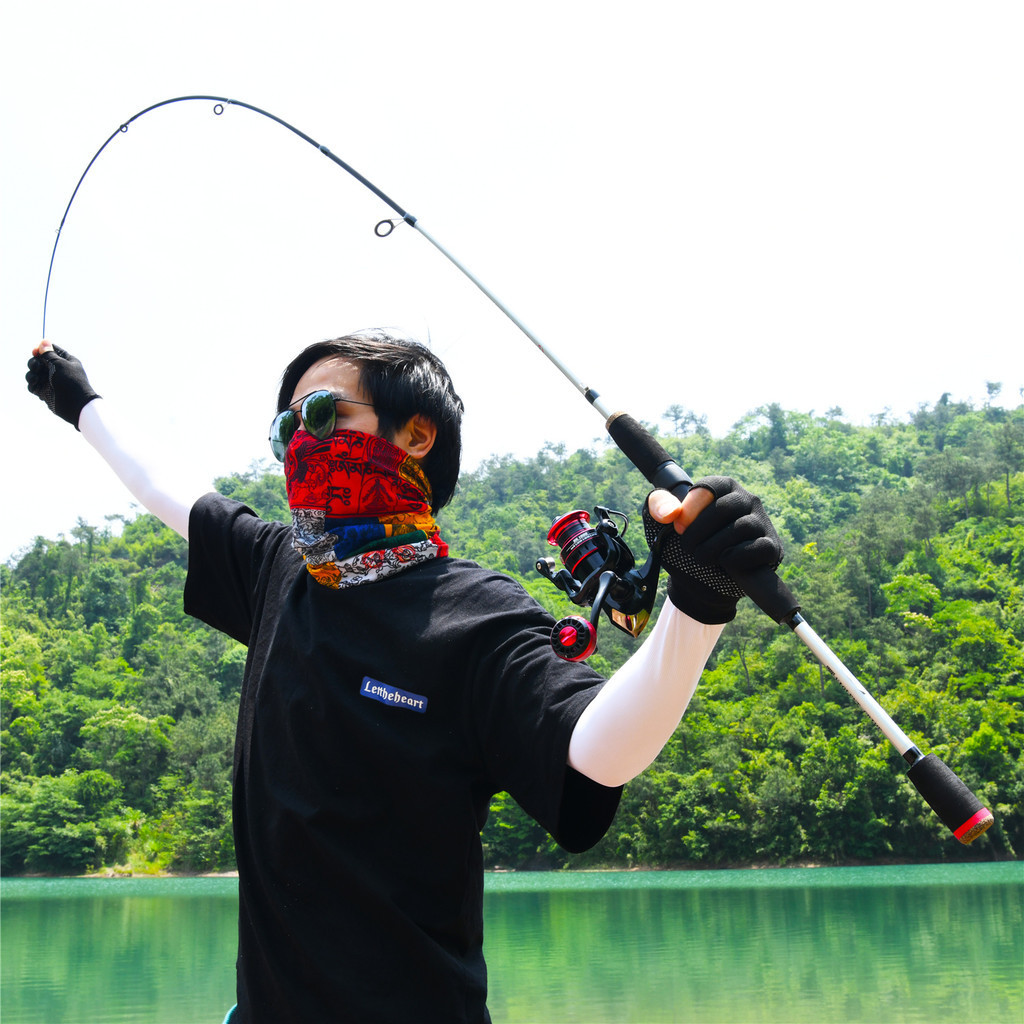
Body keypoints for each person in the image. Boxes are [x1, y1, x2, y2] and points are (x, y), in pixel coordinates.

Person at [26, 330, 783, 1023]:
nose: (301, 442)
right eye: (286, 429)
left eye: (322, 414)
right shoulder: (277, 569)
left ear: (417, 434)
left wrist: (698, 603)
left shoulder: (479, 617)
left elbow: (597, 750)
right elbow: (167, 489)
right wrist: (79, 401)